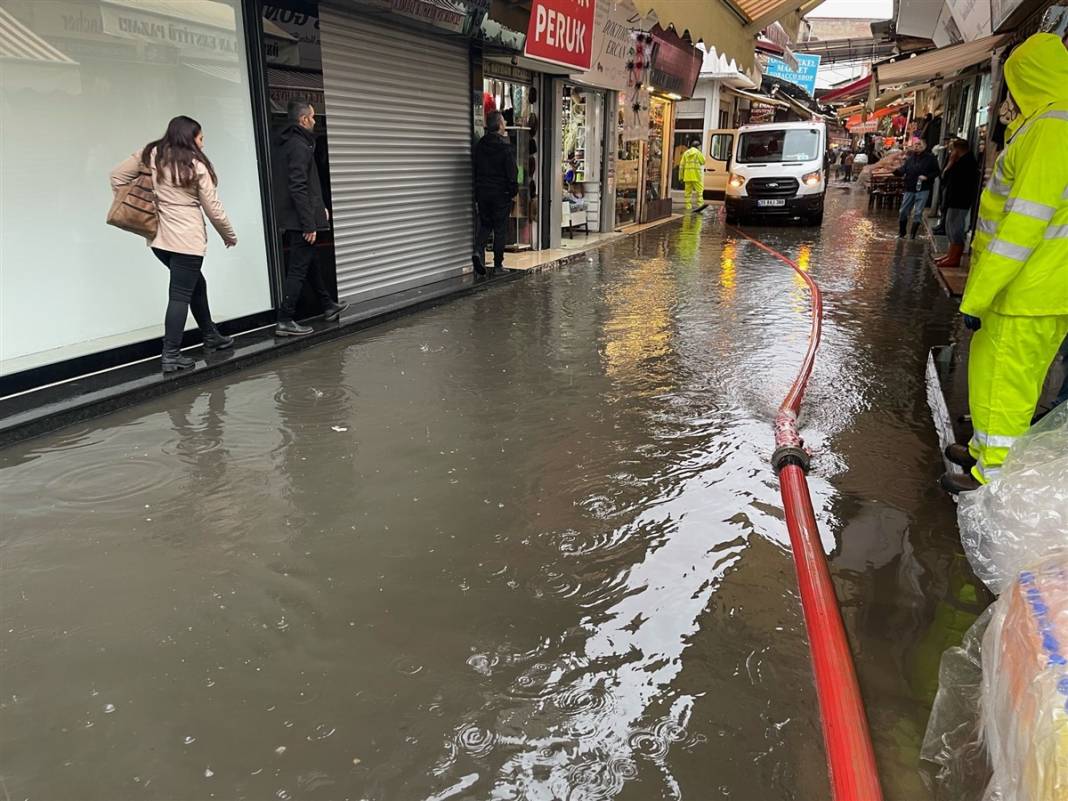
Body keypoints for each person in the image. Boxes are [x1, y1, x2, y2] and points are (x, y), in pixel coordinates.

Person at [940, 32, 1068, 494]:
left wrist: (978, 293)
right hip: (1022, 288)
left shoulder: (1054, 126)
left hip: (1029, 290)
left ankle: (993, 476)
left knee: (1008, 384)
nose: (1007, 99)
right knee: (991, 371)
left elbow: (1022, 226)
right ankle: (980, 450)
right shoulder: (1043, 124)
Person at [110, 116, 236, 373]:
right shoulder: (195, 165)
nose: (203, 144)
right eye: (201, 138)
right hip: (186, 240)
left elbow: (117, 176)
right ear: (189, 138)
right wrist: (228, 234)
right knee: (180, 294)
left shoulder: (150, 154)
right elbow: (213, 209)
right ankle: (171, 355)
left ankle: (211, 335)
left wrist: (149, 199)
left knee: (195, 284)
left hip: (158, 239)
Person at [272, 100, 347, 337]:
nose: (315, 121)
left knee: (311, 261)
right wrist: (309, 222)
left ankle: (327, 305)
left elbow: (308, 184)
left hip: (302, 215)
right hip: (300, 220)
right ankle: (285, 319)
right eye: (313, 117)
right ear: (304, 119)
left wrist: (319, 209)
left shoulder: (296, 143)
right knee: (298, 269)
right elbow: (298, 186)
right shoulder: (298, 145)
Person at [472, 110, 518, 278]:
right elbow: (512, 173)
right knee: (499, 229)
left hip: (482, 192)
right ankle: (498, 265)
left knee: (485, 224)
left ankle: (478, 251)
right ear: (499, 125)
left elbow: (475, 169)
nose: (505, 124)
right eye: (504, 121)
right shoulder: (505, 148)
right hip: (500, 194)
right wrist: (513, 191)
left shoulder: (480, 145)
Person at [935, 139, 980, 269]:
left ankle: (954, 258)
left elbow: (949, 176)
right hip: (953, 199)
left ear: (958, 150)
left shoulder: (967, 163)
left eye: (952, 149)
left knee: (955, 228)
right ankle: (950, 254)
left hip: (960, 200)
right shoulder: (960, 161)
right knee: (950, 226)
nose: (950, 152)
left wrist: (950, 162)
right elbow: (945, 177)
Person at [893, 139, 940, 238]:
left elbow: (936, 172)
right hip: (909, 188)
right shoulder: (910, 159)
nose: (917, 146)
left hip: (923, 188)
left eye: (919, 144)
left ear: (924, 146)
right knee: (903, 211)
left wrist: (927, 177)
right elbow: (903, 170)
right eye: (915, 145)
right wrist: (894, 170)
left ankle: (912, 235)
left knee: (918, 212)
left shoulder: (930, 158)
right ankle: (902, 233)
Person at [678, 137, 706, 211]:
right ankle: (700, 205)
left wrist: (680, 177)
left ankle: (688, 207)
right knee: (700, 192)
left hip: (687, 176)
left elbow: (681, 166)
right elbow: (703, 161)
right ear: (697, 146)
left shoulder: (685, 153)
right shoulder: (698, 153)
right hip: (696, 176)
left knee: (687, 193)